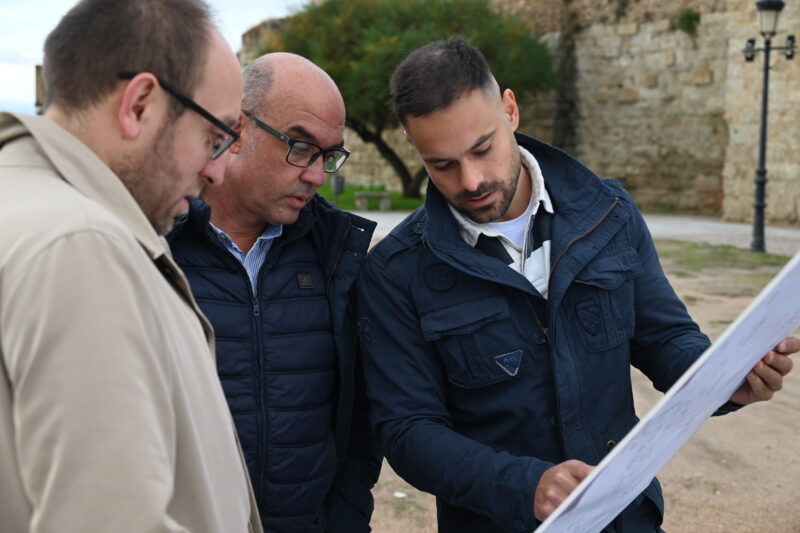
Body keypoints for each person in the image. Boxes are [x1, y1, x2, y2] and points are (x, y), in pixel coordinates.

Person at [355, 36, 798, 533]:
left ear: (511, 110)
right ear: (416, 151)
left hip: (626, 520)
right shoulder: (394, 272)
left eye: (483, 148)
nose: (472, 179)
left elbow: (665, 339)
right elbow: (409, 433)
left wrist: (728, 380)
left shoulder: (609, 213)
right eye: (443, 165)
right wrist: (527, 485)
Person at [0, 1, 261, 532]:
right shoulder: (80, 246)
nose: (216, 172)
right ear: (139, 104)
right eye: (216, 137)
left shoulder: (26, 206)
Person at [168, 52, 380, 532]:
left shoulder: (338, 255)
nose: (317, 175)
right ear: (237, 130)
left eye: (329, 155)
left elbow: (361, 423)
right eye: (300, 147)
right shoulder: (156, 246)